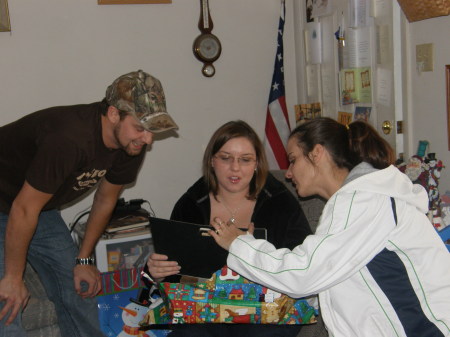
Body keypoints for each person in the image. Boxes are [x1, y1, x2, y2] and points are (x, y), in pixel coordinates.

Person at [210, 117, 450, 337]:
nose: (289, 173)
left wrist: (238, 243)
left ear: (317, 153)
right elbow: (331, 281)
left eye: (293, 160)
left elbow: (304, 273)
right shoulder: (353, 202)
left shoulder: (365, 200)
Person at [0, 70, 178, 337]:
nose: (148, 139)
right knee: (8, 302)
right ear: (114, 114)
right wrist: (14, 278)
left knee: (78, 287)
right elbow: (23, 210)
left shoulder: (129, 144)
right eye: (141, 127)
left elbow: (106, 199)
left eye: (151, 129)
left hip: (37, 205)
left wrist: (83, 258)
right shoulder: (69, 139)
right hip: (16, 202)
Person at [147, 120, 312, 337]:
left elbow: (303, 263)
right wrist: (157, 273)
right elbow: (175, 276)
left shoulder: (279, 202)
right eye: (226, 158)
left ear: (257, 164)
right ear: (212, 161)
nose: (235, 168)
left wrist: (253, 249)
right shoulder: (191, 203)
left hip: (267, 308)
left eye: (245, 160)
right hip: (205, 307)